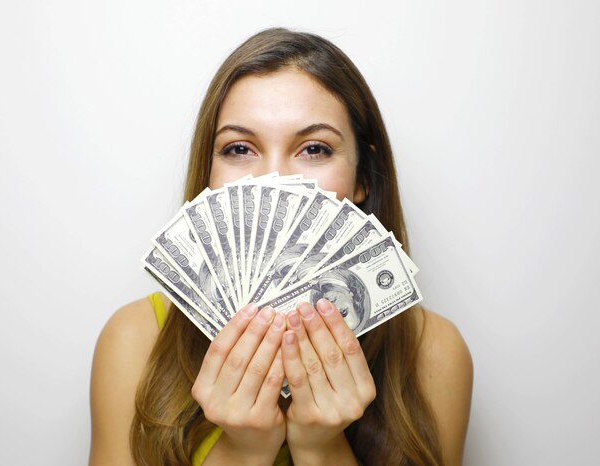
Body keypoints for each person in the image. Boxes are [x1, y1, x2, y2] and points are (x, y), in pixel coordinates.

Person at [89, 28, 473, 466]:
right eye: (238, 148)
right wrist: (243, 451)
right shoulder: (134, 342)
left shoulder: (436, 354)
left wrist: (321, 448)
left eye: (313, 149)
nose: (274, 181)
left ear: (364, 176)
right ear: (208, 175)